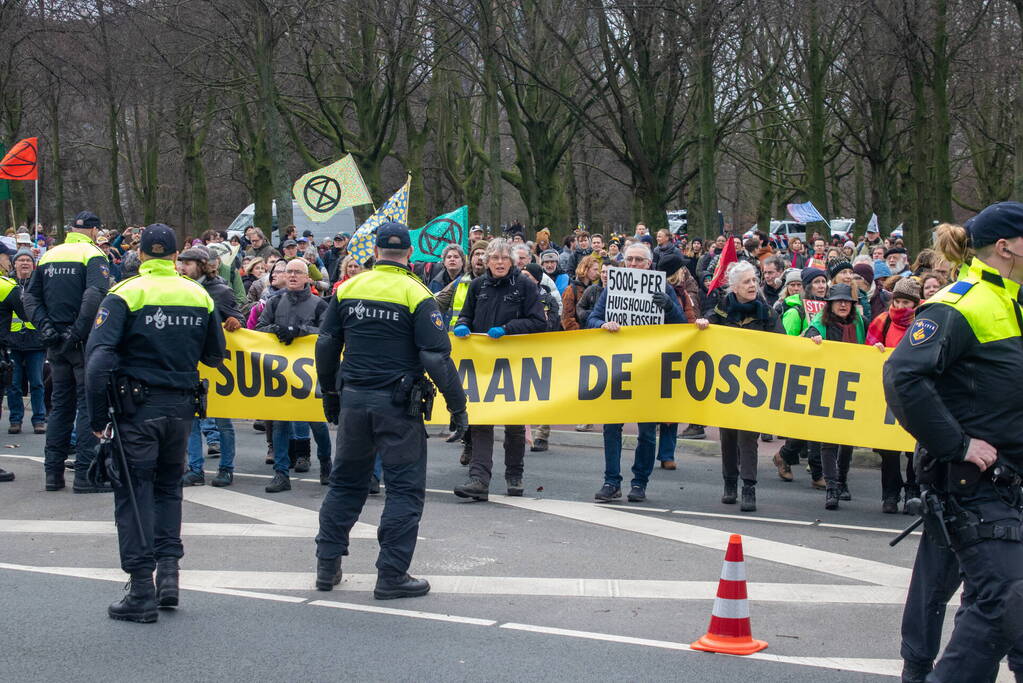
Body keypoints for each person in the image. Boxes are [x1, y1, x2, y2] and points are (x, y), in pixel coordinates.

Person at [884, 205, 1023, 682]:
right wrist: (958, 444)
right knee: (1006, 598)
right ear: (1005, 247)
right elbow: (903, 376)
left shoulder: (1013, 301)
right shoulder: (962, 303)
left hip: (1010, 485)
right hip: (977, 486)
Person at [315, 221, 467, 599]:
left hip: (353, 399)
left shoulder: (348, 287)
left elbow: (326, 342)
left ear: (376, 251)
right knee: (404, 489)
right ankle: (391, 575)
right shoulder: (416, 293)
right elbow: (435, 356)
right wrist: (457, 405)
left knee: (345, 484)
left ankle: (326, 565)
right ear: (410, 254)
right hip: (398, 406)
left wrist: (330, 393)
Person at [84, 223, 226, 623]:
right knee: (169, 490)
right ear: (175, 256)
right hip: (180, 409)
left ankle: (142, 591)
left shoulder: (125, 292)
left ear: (141, 255)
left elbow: (98, 362)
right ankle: (169, 577)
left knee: (133, 493)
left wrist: (97, 418)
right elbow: (216, 354)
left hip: (135, 410)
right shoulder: (198, 294)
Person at [588, 243, 685, 502]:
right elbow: (592, 319)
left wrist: (669, 306)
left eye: (639, 260)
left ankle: (640, 482)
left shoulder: (664, 289)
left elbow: (682, 327)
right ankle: (611, 481)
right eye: (629, 259)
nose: (633, 264)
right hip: (619, 366)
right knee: (611, 426)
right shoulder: (612, 288)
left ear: (649, 264)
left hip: (650, 367)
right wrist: (603, 324)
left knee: (646, 430)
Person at [23, 211, 111, 493]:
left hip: (55, 343)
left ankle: (53, 475)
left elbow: (31, 296)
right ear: (95, 231)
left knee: (61, 407)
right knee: (87, 406)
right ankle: (85, 476)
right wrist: (77, 332)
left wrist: (46, 328)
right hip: (81, 342)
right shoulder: (94, 254)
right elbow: (94, 295)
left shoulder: (49, 255)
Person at [452, 239, 545, 499]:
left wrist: (507, 330)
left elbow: (539, 322)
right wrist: (463, 325)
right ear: (486, 261)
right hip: (483, 364)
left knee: (514, 426)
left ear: (512, 261)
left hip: (515, 364)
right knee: (481, 422)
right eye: (495, 258)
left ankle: (514, 475)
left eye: (505, 258)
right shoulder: (477, 286)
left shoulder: (525, 285)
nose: (500, 262)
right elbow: (465, 315)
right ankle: (478, 480)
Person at [695, 262, 782, 511]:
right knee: (728, 437)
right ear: (733, 287)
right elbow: (703, 334)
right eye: (746, 282)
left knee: (748, 438)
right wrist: (702, 326)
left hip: (755, 386)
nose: (753, 285)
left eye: (754, 280)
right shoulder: (720, 313)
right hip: (726, 386)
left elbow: (785, 345)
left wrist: (810, 340)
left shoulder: (767, 313)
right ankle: (729, 483)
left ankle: (749, 487)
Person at [256, 259, 330, 492]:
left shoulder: (319, 304)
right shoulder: (274, 302)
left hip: (310, 375)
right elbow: (259, 329)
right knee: (280, 423)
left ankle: (326, 464)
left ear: (308, 277)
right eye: (289, 272)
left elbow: (328, 334)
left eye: (298, 272)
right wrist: (275, 331)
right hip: (280, 374)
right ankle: (281, 473)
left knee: (317, 424)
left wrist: (300, 332)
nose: (293, 276)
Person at [175, 247, 244, 487]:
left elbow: (238, 318)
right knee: (191, 420)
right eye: (180, 262)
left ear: (202, 265)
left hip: (216, 367)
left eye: (188, 263)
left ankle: (226, 468)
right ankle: (195, 469)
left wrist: (235, 322)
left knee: (223, 421)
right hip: (190, 363)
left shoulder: (220, 291)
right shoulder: (179, 289)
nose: (182, 267)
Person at [805, 283, 866, 509]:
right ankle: (831, 487)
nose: (843, 304)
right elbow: (804, 346)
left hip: (851, 388)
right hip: (827, 387)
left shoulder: (859, 323)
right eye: (839, 301)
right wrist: (813, 343)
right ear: (830, 304)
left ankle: (842, 480)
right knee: (828, 441)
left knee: (847, 440)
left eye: (847, 301)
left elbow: (868, 345)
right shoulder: (819, 324)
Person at [866, 277, 921, 514]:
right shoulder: (882, 321)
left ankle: (912, 491)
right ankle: (889, 493)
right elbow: (866, 352)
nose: (900, 307)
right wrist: (874, 349)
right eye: (897, 301)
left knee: (912, 449)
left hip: (914, 393)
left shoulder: (923, 323)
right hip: (885, 393)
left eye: (906, 303)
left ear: (915, 304)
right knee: (888, 449)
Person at [6, 249, 46, 434]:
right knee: (13, 384)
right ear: (14, 264)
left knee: (37, 382)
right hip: (12, 341)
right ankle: (15, 420)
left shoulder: (39, 284)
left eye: (27, 260)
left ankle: (39, 419)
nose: (24, 263)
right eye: (20, 260)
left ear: (33, 264)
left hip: (35, 341)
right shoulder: (8, 285)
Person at [560, 254, 600, 331]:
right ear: (586, 269)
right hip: (579, 336)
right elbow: (567, 319)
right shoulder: (571, 290)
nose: (598, 273)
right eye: (595, 269)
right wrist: (579, 332)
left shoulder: (595, 289)